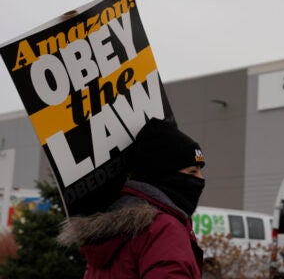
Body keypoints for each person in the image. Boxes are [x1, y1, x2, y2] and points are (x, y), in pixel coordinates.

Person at [58, 118, 207, 278]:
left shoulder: (107, 229)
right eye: (192, 172)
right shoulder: (163, 229)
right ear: (163, 174)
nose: (201, 179)